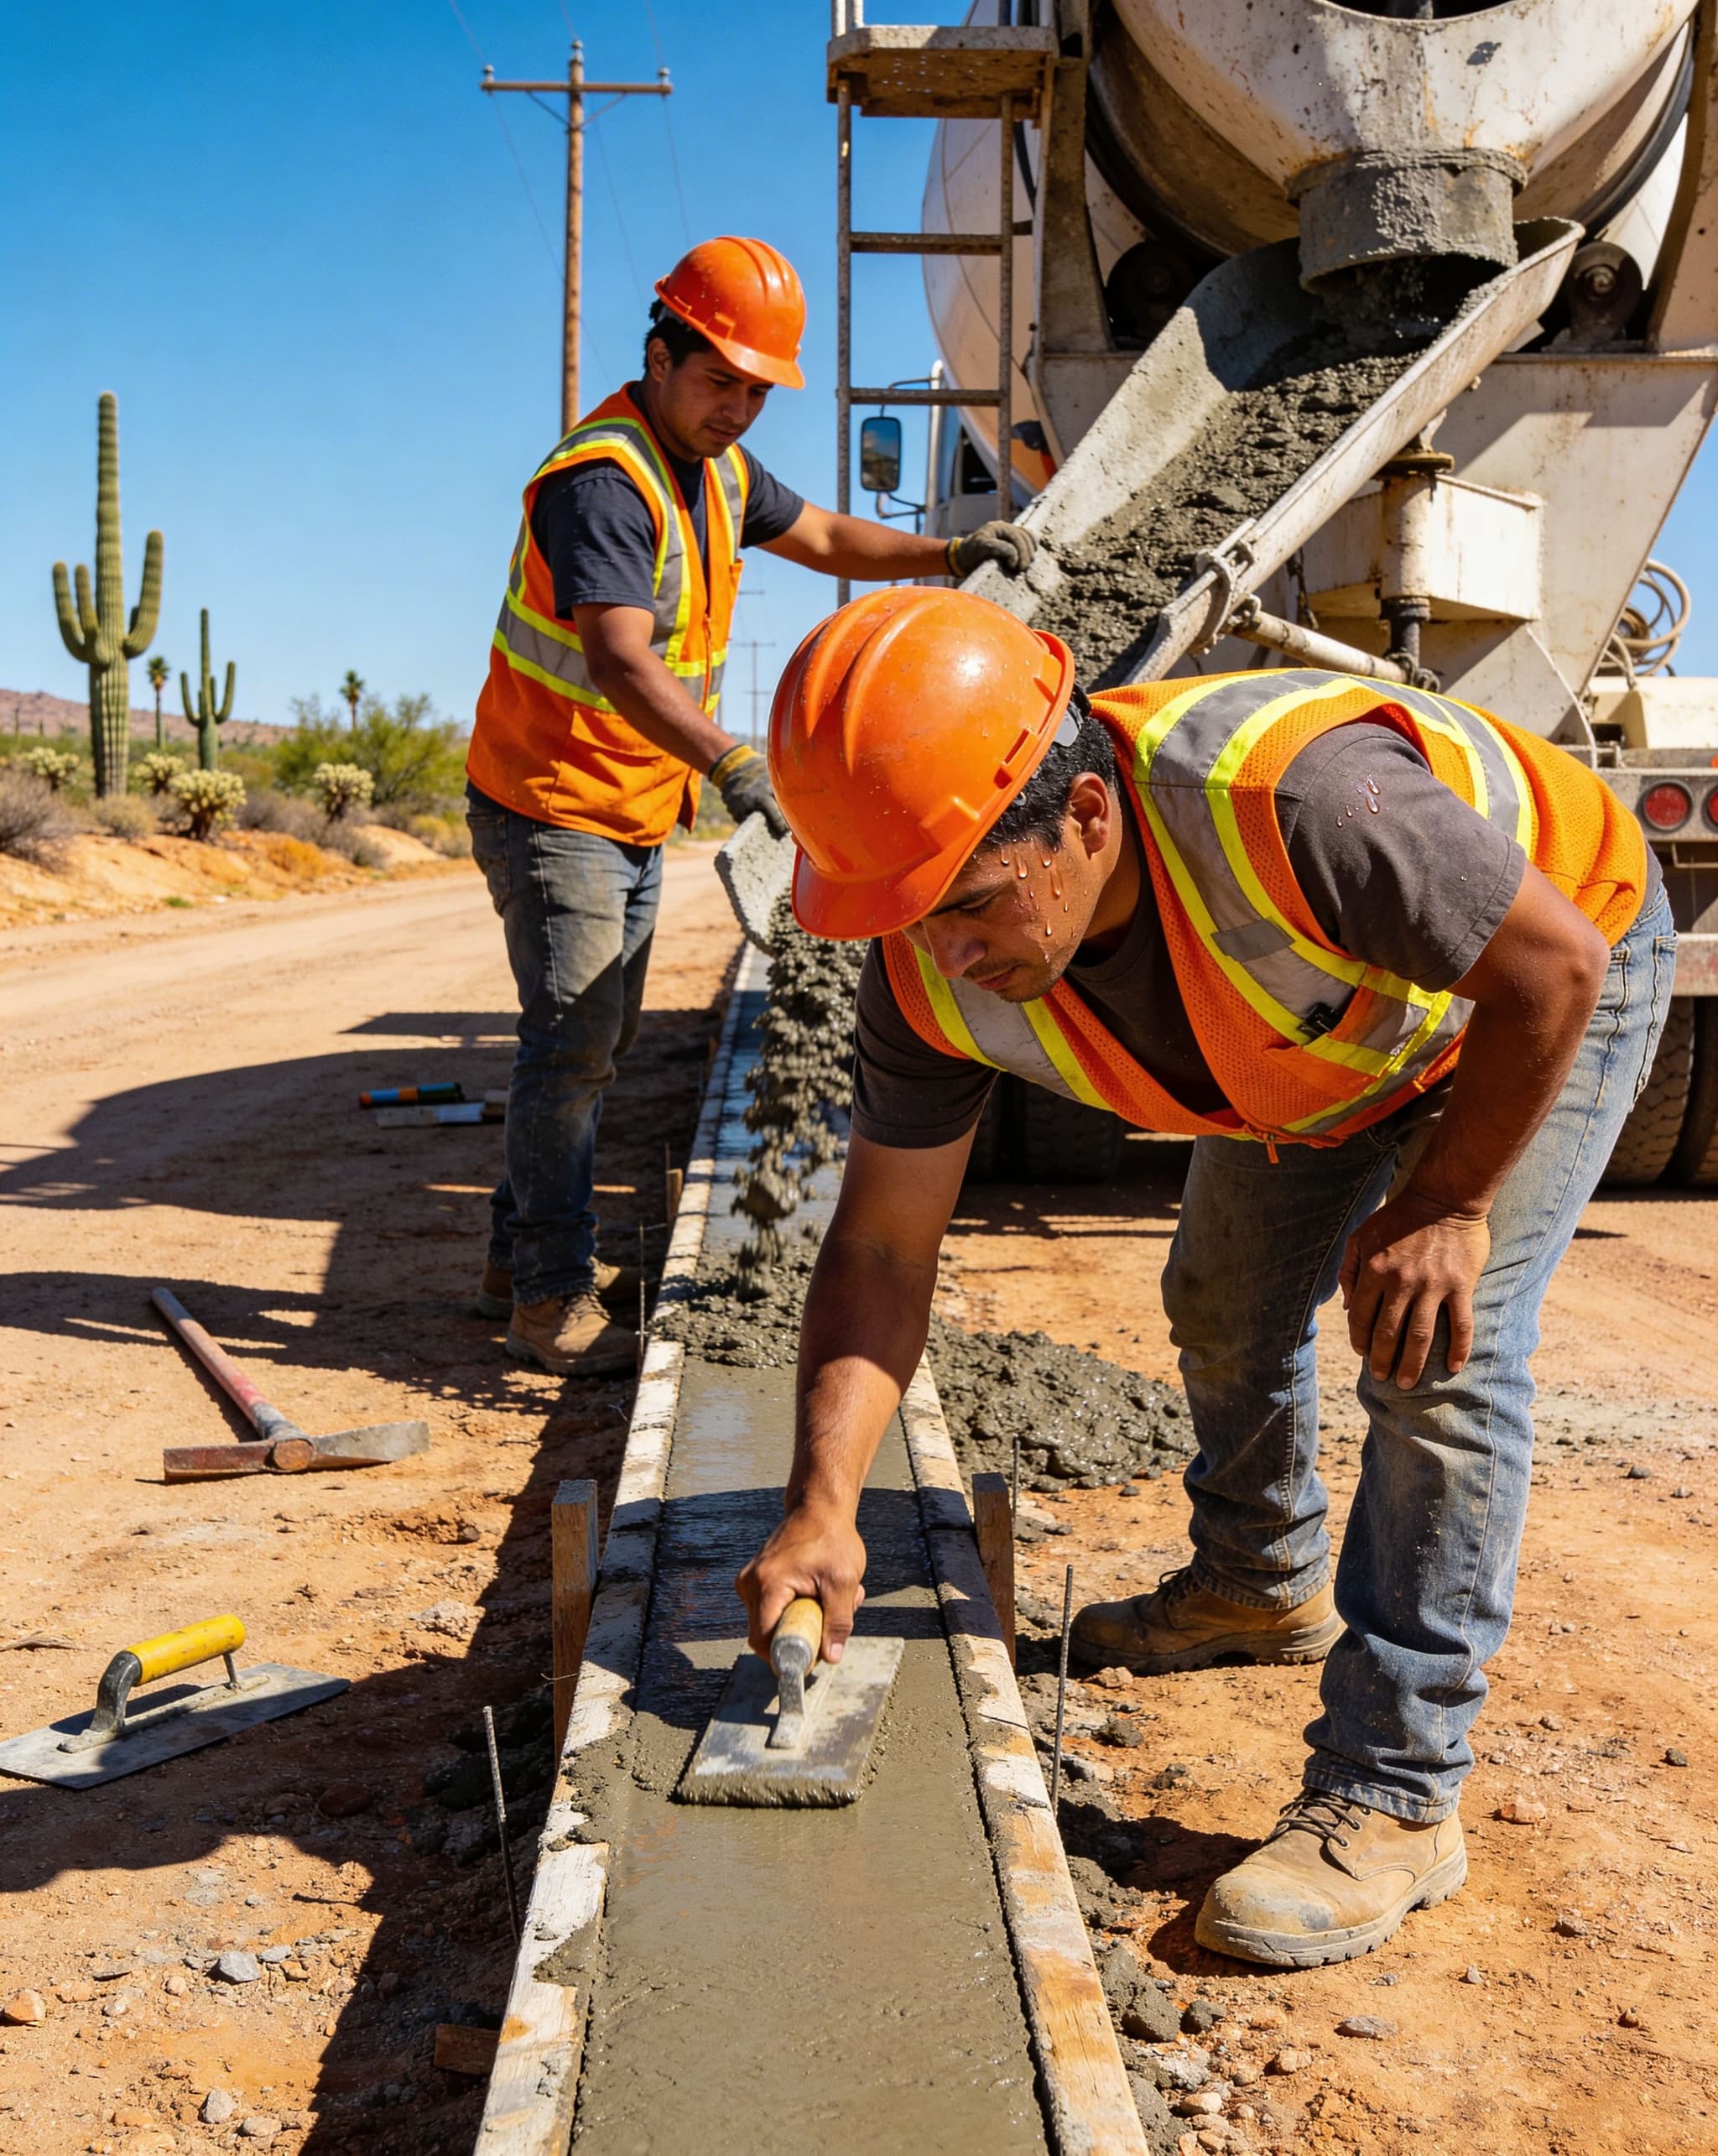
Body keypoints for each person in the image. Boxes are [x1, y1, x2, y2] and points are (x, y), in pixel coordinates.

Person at [737, 585, 1669, 1969]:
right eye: (911, 916)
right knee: (1224, 1300)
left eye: (976, 905)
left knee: (1433, 1344)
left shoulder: (1299, 805)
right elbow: (879, 1246)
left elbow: (1553, 968)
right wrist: (820, 1506)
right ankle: (1258, 1578)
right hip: (1322, 1037)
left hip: (1535, 977)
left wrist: (1450, 1200)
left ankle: (1398, 1789)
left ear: (1090, 818)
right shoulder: (928, 961)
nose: (948, 952)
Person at [465, 238, 1034, 1376]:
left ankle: (519, 1251)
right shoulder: (605, 481)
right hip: (551, 799)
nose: (736, 408)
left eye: (755, 391)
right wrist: (735, 762)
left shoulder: (717, 471)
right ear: (659, 355)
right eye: (717, 379)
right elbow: (623, 659)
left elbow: (822, 535)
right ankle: (544, 1302)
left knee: (593, 1039)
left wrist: (947, 550)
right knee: (572, 1044)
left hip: (623, 803)